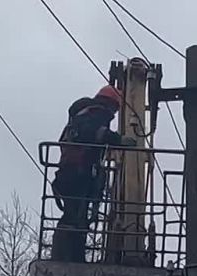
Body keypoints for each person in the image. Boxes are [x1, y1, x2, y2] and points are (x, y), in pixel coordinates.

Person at [50, 85, 137, 263]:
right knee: (75, 218)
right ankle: (69, 258)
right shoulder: (94, 114)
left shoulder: (80, 116)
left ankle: (69, 257)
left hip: (70, 173)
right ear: (110, 104)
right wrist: (118, 140)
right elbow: (93, 133)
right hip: (78, 174)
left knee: (75, 217)